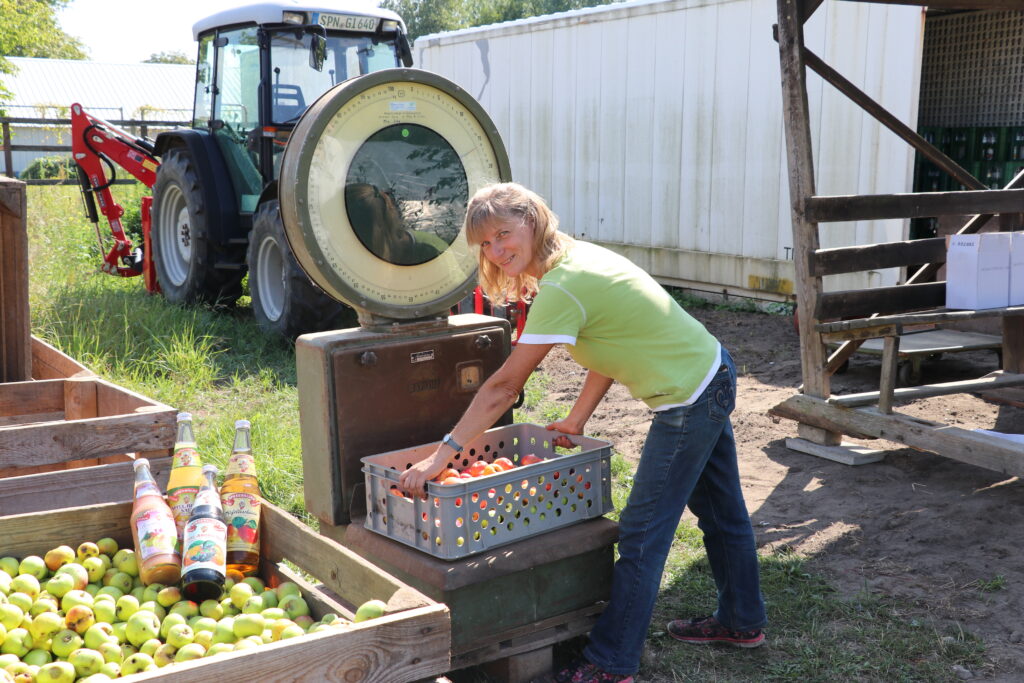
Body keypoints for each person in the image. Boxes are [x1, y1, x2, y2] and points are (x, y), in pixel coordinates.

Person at [399, 182, 766, 683]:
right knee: (722, 515)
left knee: (642, 534)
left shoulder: (564, 285)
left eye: (504, 233)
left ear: (533, 221)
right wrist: (577, 417)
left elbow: (504, 387)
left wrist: (441, 455)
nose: (497, 250)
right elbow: (610, 340)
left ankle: (610, 664)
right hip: (710, 373)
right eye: (485, 243)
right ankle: (742, 623)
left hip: (688, 398)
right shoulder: (574, 256)